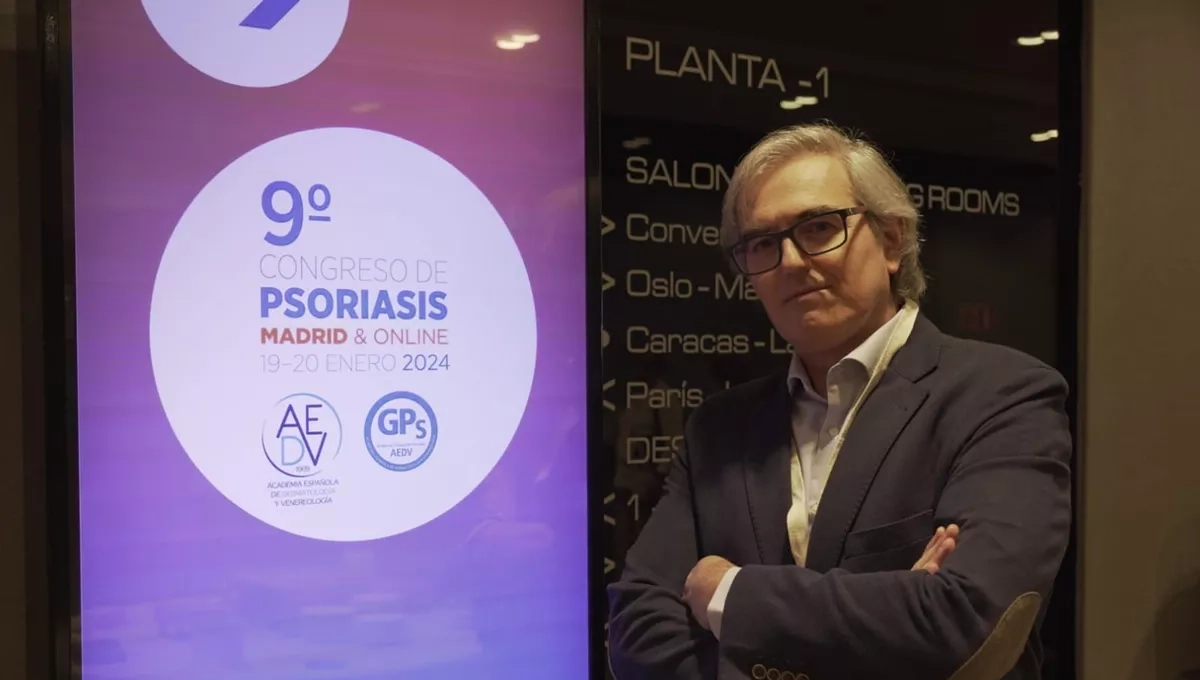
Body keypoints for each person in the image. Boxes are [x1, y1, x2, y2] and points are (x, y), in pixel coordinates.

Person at [606, 123, 1072, 680]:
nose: (789, 262)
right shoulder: (720, 429)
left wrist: (728, 592)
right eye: (762, 244)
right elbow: (636, 633)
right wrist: (886, 616)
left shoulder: (1002, 396)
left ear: (892, 240)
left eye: (820, 227)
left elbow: (964, 619)